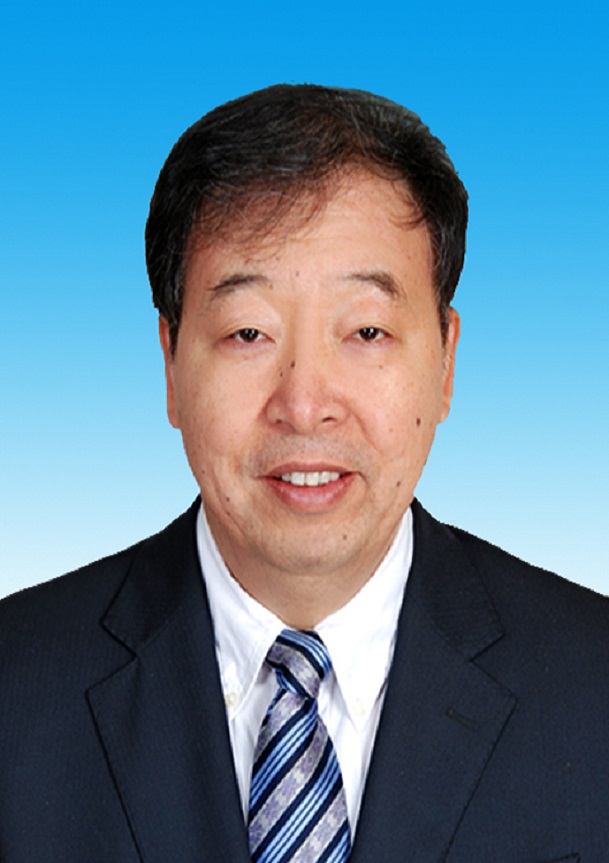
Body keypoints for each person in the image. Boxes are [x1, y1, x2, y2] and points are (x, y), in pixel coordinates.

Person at [1, 84, 608, 862]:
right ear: (170, 363)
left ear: (445, 362)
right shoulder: (16, 689)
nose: (304, 404)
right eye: (248, 332)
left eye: (366, 330)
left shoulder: (591, 686)